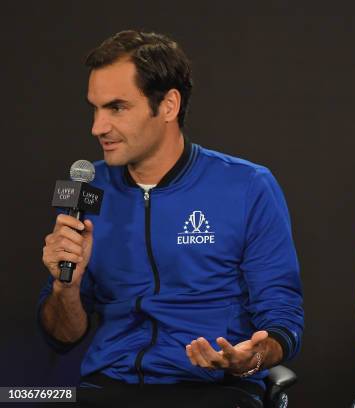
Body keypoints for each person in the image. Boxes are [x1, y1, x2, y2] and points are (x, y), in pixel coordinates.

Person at [37, 30, 303, 408]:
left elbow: (283, 318)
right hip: (108, 386)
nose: (97, 127)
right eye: (94, 108)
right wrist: (66, 288)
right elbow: (61, 337)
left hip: (214, 389)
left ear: (168, 106)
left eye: (116, 108)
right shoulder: (86, 187)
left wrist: (251, 359)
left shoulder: (247, 186)